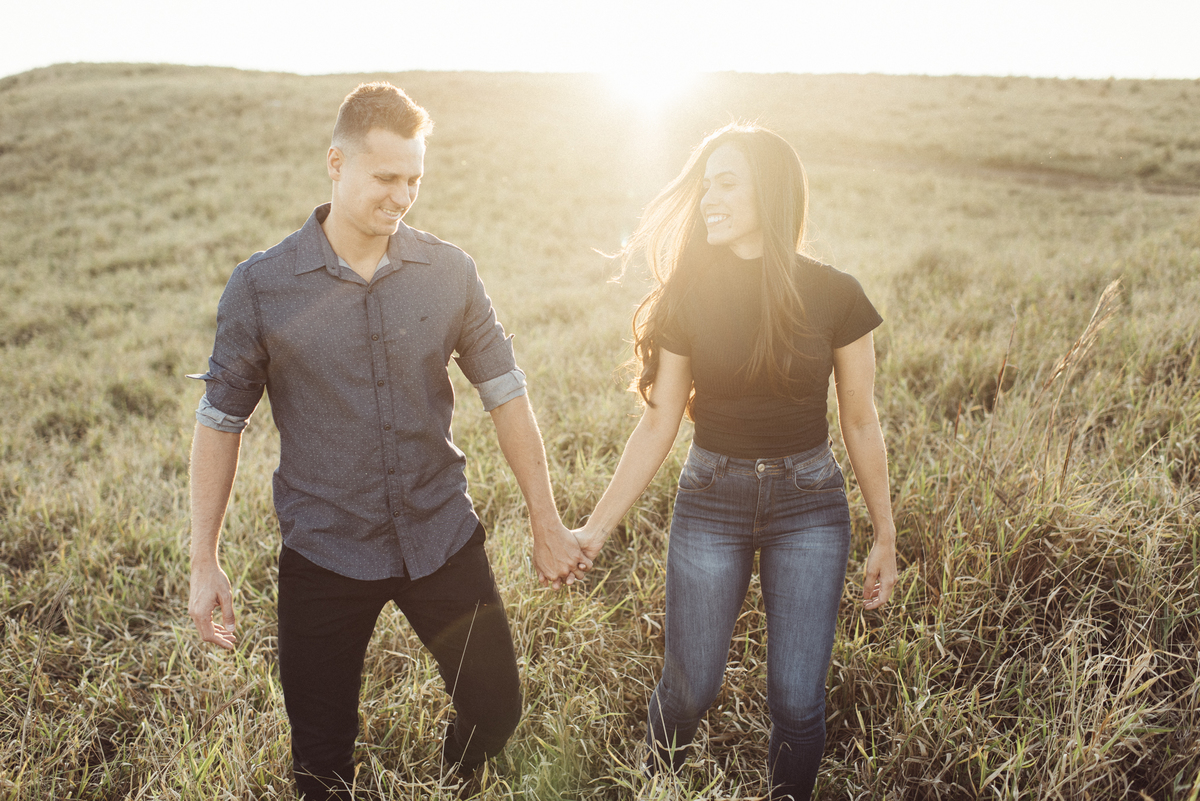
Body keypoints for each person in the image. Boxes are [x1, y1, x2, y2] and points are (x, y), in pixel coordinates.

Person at [186, 81, 590, 801]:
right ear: (336, 164)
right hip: (324, 549)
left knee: (497, 707)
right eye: (386, 177)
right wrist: (204, 560)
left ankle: (457, 775)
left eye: (414, 180)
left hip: (441, 535)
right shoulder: (261, 286)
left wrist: (546, 519)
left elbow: (505, 392)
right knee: (319, 763)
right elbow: (221, 422)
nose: (402, 196)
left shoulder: (450, 272)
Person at [573, 123, 898, 801]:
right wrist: (594, 529)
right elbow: (660, 420)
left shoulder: (836, 294)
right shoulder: (689, 294)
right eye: (704, 184)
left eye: (727, 183)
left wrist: (885, 535)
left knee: (799, 700)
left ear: (770, 193)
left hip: (810, 504)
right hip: (710, 498)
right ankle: (654, 789)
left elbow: (861, 420)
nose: (707, 198)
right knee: (690, 686)